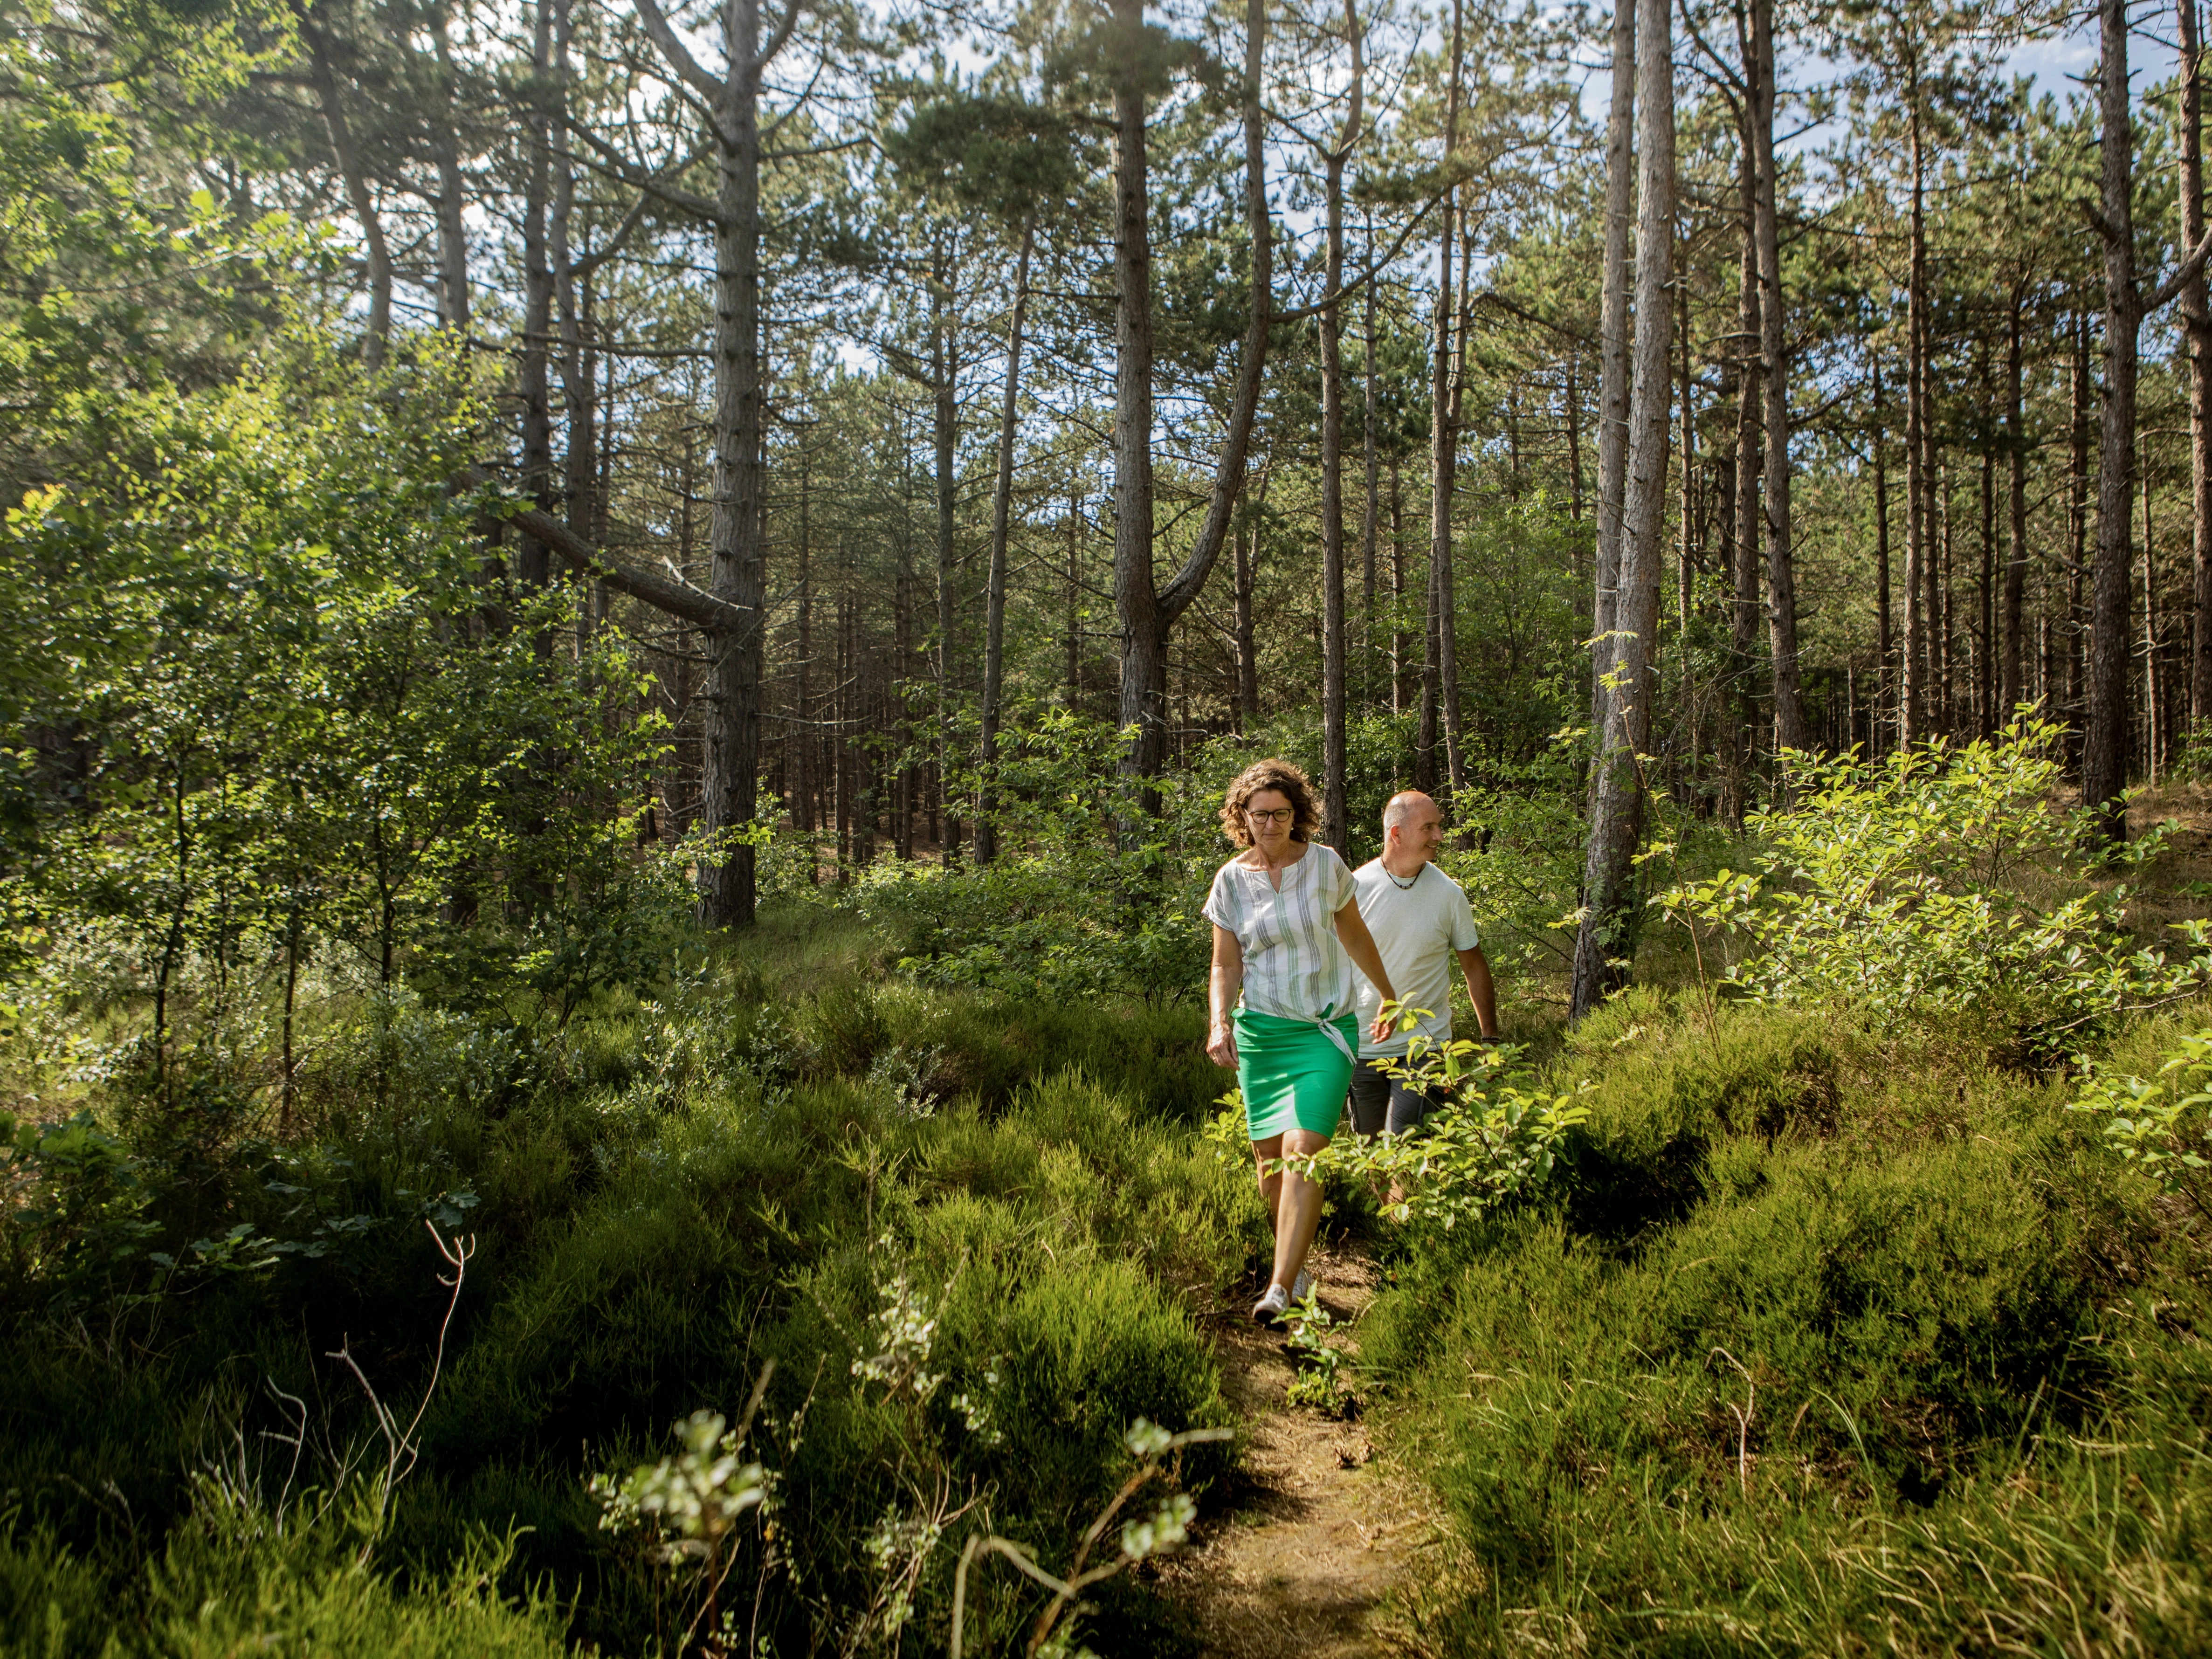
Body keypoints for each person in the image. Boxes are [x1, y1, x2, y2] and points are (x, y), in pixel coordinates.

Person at [1203, 758, 1399, 1324]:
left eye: (1281, 813)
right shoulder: (1230, 881)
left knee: (1302, 1152)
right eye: (1258, 814)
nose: (1270, 824)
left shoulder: (1325, 866)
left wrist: (1386, 994)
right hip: (1261, 1035)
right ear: (1241, 816)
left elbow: (1354, 934)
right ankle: (1299, 1269)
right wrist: (1219, 1023)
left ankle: (1280, 1287)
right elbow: (1224, 962)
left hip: (1323, 1030)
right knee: (1268, 1164)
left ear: (1298, 814)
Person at [1347, 790, 1498, 1138]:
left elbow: (1474, 966)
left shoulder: (1448, 894)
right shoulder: (1353, 888)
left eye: (1438, 827)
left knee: (1407, 1143)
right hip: (1362, 1047)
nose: (1439, 837)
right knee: (1372, 1154)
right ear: (1396, 834)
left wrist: (1490, 1037)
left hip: (1426, 1045)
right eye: (1428, 827)